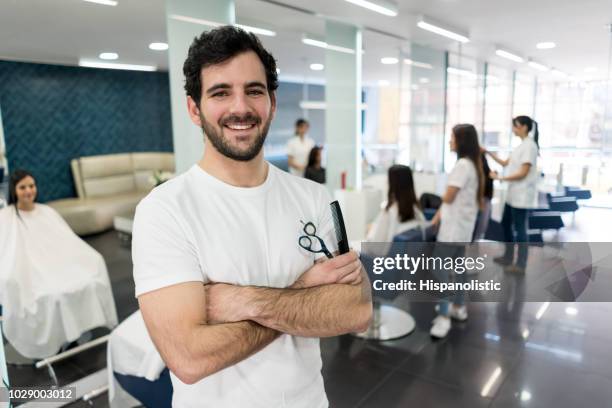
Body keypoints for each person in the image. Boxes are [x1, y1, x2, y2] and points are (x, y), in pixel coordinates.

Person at [133, 26, 372, 408]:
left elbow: (356, 311)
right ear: (194, 108)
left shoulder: (314, 198)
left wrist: (239, 300)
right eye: (221, 92)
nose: (240, 108)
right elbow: (190, 358)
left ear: (272, 103)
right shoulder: (164, 211)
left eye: (254, 91)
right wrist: (303, 289)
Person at [0, 170, 117, 359]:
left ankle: (76, 329)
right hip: (29, 274)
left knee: (89, 280)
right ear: (14, 190)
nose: (29, 191)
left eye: (31, 186)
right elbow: (5, 252)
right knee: (54, 295)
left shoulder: (47, 212)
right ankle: (59, 337)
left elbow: (68, 242)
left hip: (58, 267)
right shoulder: (6, 218)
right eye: (23, 187)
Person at [430, 124, 483, 338]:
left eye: (452, 137)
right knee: (458, 267)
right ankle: (458, 307)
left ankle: (443, 317)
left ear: (461, 141)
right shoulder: (472, 164)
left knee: (438, 268)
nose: (450, 141)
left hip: (453, 230)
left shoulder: (462, 165)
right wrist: (437, 216)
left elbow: (449, 197)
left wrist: (434, 197)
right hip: (462, 228)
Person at [484, 116, 539, 274]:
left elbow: (523, 173)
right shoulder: (521, 146)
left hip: (522, 196)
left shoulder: (530, 146)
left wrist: (499, 178)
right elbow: (505, 163)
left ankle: (520, 264)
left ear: (523, 127)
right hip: (513, 194)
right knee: (505, 224)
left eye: (515, 126)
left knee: (520, 229)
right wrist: (487, 152)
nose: (513, 129)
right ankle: (508, 256)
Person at [367, 164, 425, 242]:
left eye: (388, 179)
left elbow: (374, 245)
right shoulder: (416, 209)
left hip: (380, 253)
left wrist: (371, 231)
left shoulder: (389, 212)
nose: (386, 182)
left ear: (392, 184)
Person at [473, 152, 494, 240]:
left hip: (484, 200)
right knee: (479, 228)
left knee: (481, 228)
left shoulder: (486, 173)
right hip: (480, 200)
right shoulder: (476, 172)